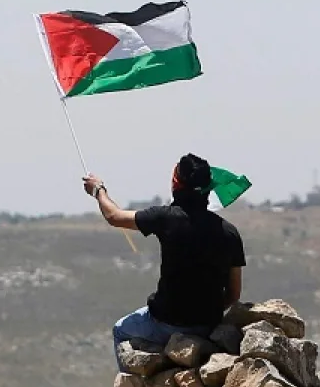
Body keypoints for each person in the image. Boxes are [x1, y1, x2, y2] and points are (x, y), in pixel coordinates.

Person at [82, 154, 246, 369]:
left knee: (120, 330)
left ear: (176, 183)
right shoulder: (229, 232)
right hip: (209, 325)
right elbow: (233, 294)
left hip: (165, 322)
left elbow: (114, 216)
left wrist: (98, 190)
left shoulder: (165, 217)